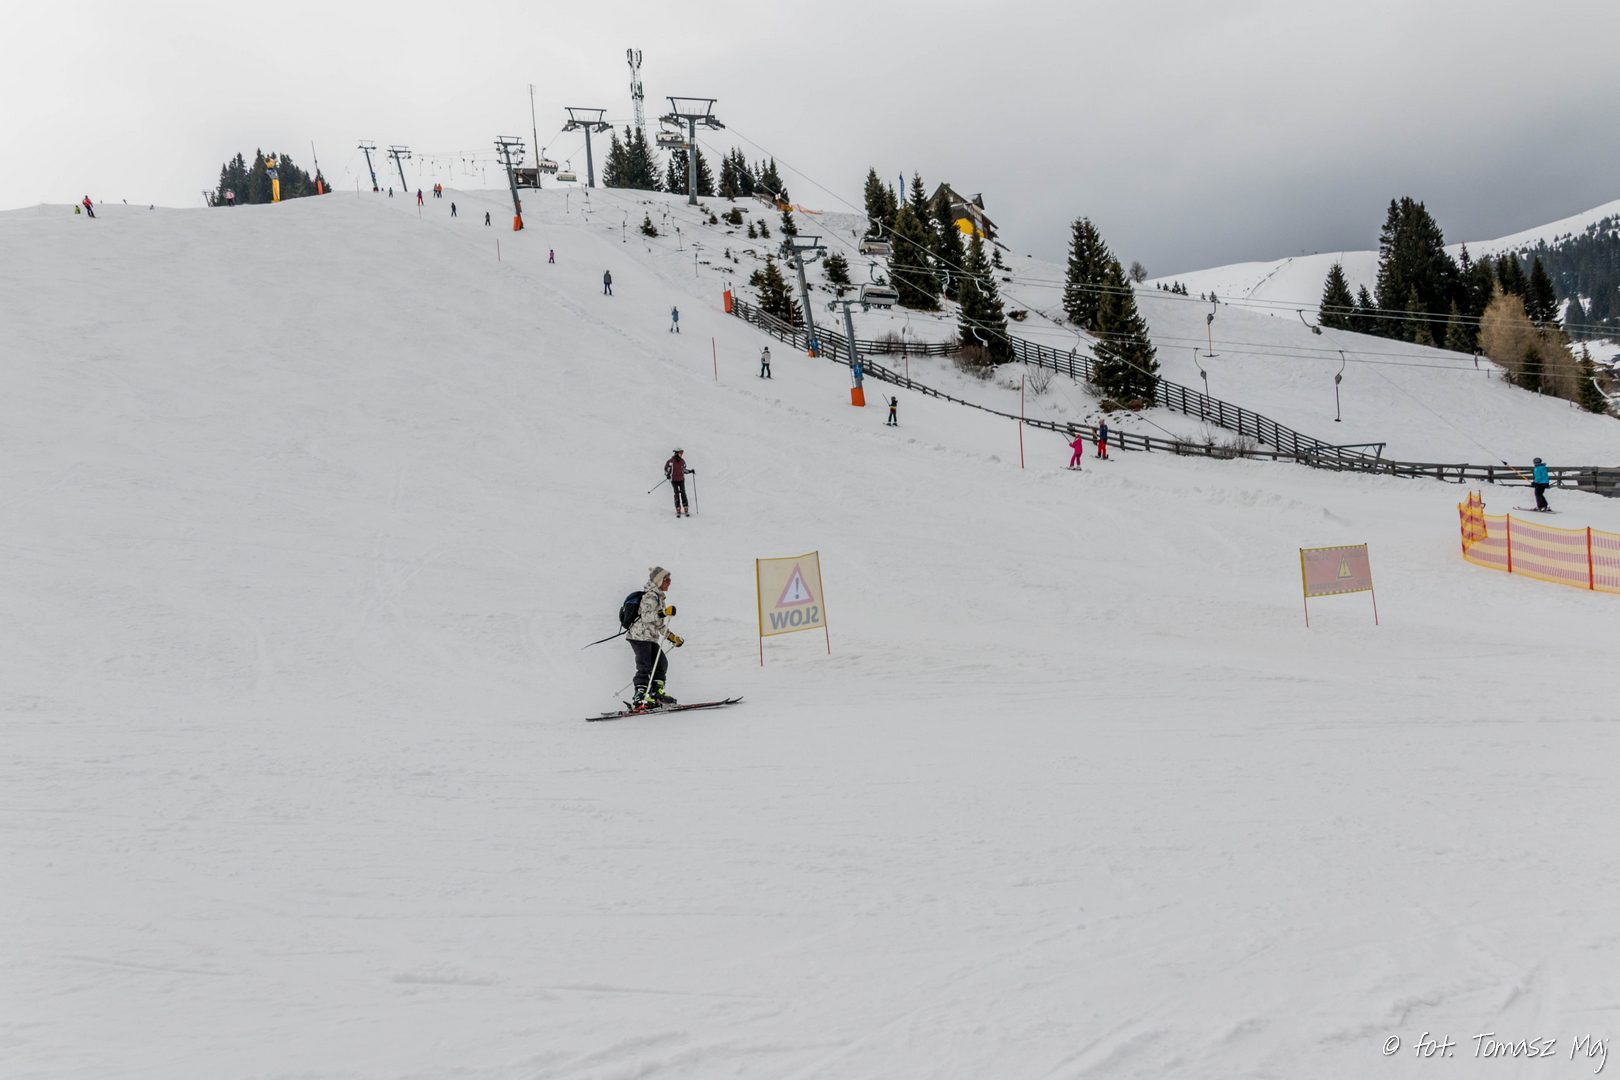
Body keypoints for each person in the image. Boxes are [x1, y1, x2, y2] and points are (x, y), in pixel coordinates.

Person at [627, 566, 682, 709]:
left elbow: (658, 624)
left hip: (649, 637)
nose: (669, 582)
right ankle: (640, 698)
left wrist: (672, 637)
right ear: (659, 581)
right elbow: (646, 617)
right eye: (667, 579)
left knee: (661, 664)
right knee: (645, 666)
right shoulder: (650, 596)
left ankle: (656, 694)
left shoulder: (658, 597)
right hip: (639, 636)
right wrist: (664, 612)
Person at [665, 448, 691, 518]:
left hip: (681, 479)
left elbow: (684, 470)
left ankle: (685, 507)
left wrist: (690, 471)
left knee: (683, 492)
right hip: (674, 480)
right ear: (676, 453)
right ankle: (678, 507)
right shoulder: (671, 461)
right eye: (680, 453)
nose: (681, 454)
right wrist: (667, 474)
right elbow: (666, 469)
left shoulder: (682, 461)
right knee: (676, 493)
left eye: (682, 453)